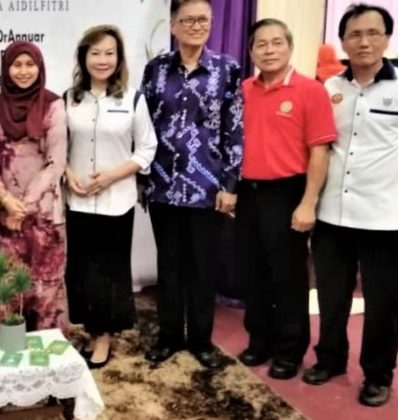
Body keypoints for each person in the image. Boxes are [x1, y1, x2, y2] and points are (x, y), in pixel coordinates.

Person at [303, 4, 398, 407]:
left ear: (386, 38)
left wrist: (392, 187)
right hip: (332, 215)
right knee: (332, 296)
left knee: (383, 304)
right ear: (343, 41)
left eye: (373, 33)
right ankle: (330, 359)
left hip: (384, 220)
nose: (364, 41)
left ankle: (378, 376)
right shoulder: (329, 88)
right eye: (355, 34)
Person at [140, 0, 243, 369]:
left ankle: (200, 340)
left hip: (208, 188)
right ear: (173, 25)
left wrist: (230, 184)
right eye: (188, 20)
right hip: (163, 185)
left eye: (203, 19)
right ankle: (169, 337)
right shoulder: (155, 69)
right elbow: (143, 126)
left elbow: (234, 129)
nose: (197, 26)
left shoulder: (227, 70)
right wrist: (142, 178)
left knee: (202, 268)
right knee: (168, 266)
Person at [236, 19, 337, 380]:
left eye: (277, 43)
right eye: (261, 44)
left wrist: (308, 202)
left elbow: (320, 151)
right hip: (248, 192)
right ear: (251, 52)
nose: (269, 50)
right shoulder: (243, 90)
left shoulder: (311, 91)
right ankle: (259, 340)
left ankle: (289, 350)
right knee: (253, 271)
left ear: (290, 47)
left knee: (289, 276)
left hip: (288, 192)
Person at [63, 25, 158, 369]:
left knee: (109, 272)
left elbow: (147, 148)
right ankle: (91, 330)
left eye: (109, 53)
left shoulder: (133, 99)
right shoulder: (69, 99)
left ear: (118, 58)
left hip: (116, 201)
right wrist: (68, 174)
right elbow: (59, 147)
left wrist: (112, 176)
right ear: (83, 57)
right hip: (78, 201)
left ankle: (104, 337)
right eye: (95, 53)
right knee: (81, 270)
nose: (102, 60)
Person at [0, 41, 68, 336]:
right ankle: (9, 345)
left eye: (30, 64)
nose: (24, 71)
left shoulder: (54, 105)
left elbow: (56, 161)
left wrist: (26, 204)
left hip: (45, 212)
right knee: (9, 283)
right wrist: (6, 200)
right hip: (6, 211)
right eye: (17, 65)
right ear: (6, 69)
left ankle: (46, 347)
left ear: (40, 67)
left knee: (46, 284)